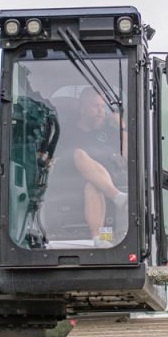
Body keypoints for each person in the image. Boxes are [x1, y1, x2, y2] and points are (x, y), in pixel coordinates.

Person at [57, 87, 127, 241]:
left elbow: (128, 155)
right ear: (82, 108)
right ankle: (118, 198)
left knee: (93, 185)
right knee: (79, 154)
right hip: (72, 179)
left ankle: (97, 238)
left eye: (103, 107)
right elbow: (55, 156)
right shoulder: (66, 131)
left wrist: (123, 127)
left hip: (107, 178)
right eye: (95, 106)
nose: (101, 111)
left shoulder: (110, 132)